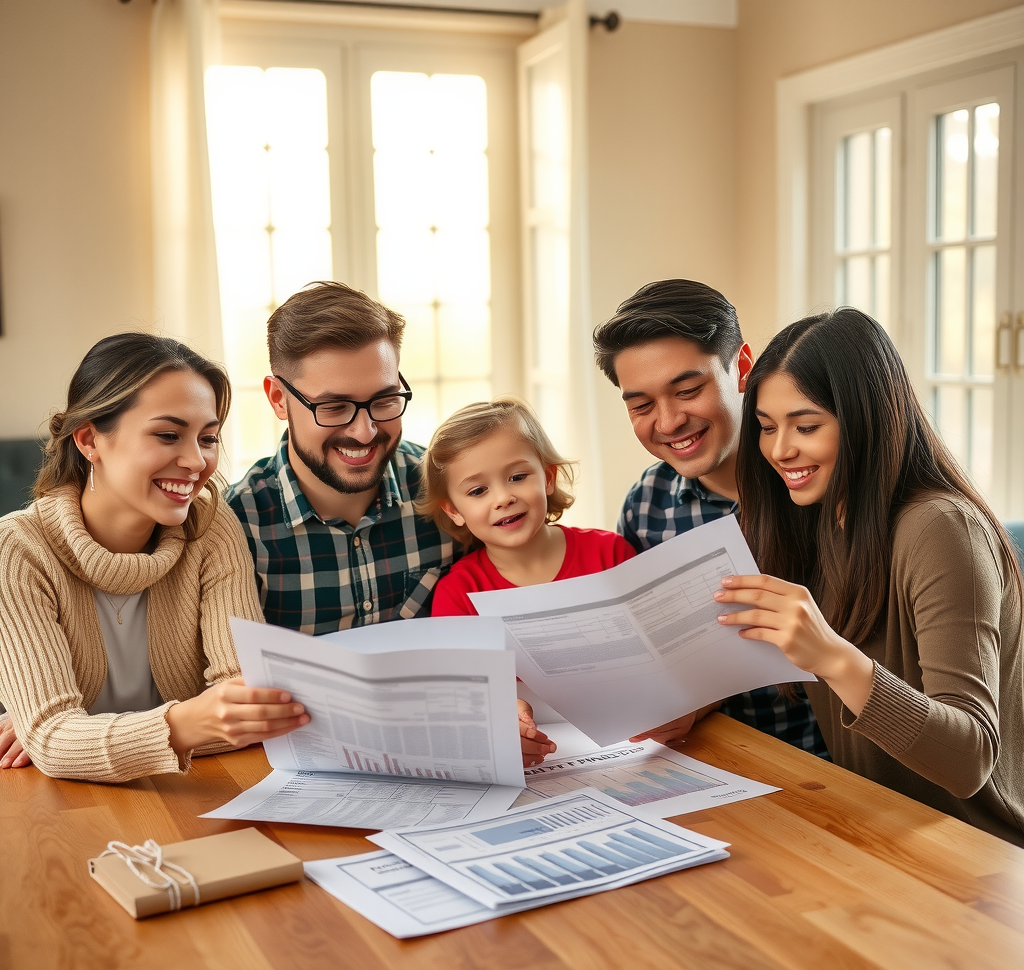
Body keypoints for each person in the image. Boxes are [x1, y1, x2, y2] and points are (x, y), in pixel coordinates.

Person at [715, 308, 1024, 846]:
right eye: (766, 428)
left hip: (980, 851)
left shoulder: (940, 528)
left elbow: (971, 755)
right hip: (880, 826)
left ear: (865, 422)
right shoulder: (811, 524)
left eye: (806, 426)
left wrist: (832, 656)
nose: (780, 449)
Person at [0, 334, 309, 781]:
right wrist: (187, 723)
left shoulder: (211, 526)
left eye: (208, 438)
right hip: (73, 807)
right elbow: (52, 741)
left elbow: (246, 705)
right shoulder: (18, 551)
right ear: (89, 439)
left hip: (194, 790)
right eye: (168, 435)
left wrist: (78, 741)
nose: (196, 461)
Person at [593, 280, 828, 755]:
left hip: (834, 768)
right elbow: (662, 659)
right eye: (641, 405)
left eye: (687, 390)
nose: (668, 422)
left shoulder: (818, 483)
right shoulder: (647, 503)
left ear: (742, 367)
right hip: (711, 760)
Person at [227, 282, 454, 634]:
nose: (365, 432)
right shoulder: (237, 527)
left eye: (384, 401)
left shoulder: (447, 486)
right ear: (277, 399)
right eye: (334, 407)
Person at [418, 398, 635, 765]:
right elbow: (465, 696)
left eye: (518, 477)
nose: (504, 498)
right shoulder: (458, 594)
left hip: (632, 741)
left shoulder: (611, 555)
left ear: (548, 477)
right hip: (535, 757)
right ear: (453, 510)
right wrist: (498, 718)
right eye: (477, 491)